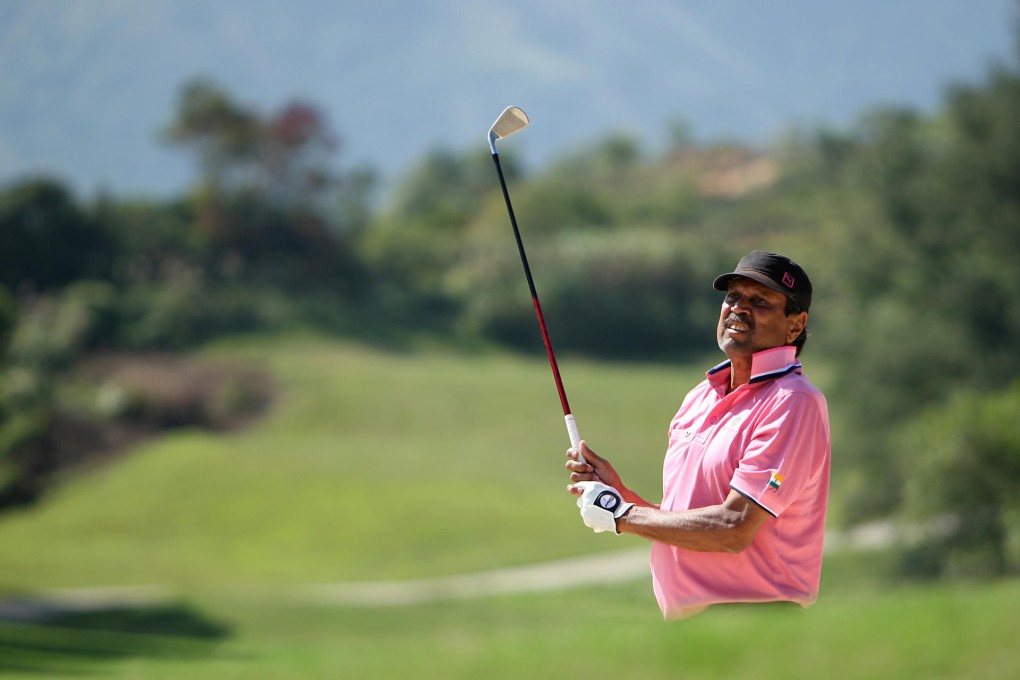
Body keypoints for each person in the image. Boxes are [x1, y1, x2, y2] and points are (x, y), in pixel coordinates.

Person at [567, 250, 831, 619]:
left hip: (757, 622)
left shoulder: (793, 402)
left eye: (760, 301)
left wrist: (622, 515)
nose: (739, 309)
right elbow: (685, 522)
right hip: (691, 626)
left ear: (795, 325)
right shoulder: (699, 397)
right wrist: (620, 494)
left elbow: (733, 527)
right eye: (733, 297)